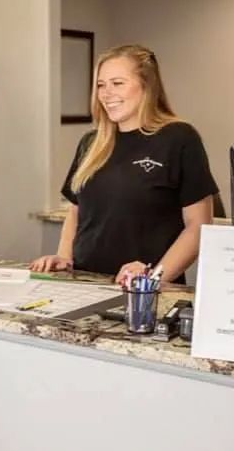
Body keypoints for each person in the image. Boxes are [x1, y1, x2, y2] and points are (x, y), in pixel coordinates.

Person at [31, 44, 217, 284]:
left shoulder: (179, 138)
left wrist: (152, 280)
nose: (106, 94)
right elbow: (77, 210)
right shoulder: (91, 143)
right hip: (87, 284)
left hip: (146, 292)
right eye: (101, 85)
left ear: (147, 86)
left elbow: (198, 227)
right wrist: (64, 258)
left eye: (117, 83)